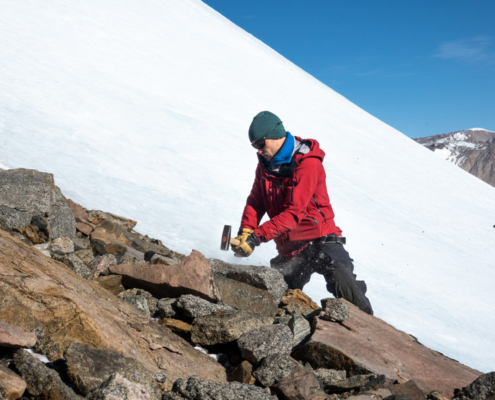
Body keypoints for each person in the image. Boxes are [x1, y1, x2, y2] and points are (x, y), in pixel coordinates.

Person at [232, 111, 373, 315]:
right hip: (292, 247)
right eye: (254, 146)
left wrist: (255, 238)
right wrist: (246, 230)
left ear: (276, 136)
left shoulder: (307, 162)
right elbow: (256, 200)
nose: (258, 151)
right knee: (273, 296)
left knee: (346, 288)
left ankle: (373, 333)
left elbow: (294, 213)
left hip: (322, 240)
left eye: (260, 144)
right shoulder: (264, 165)